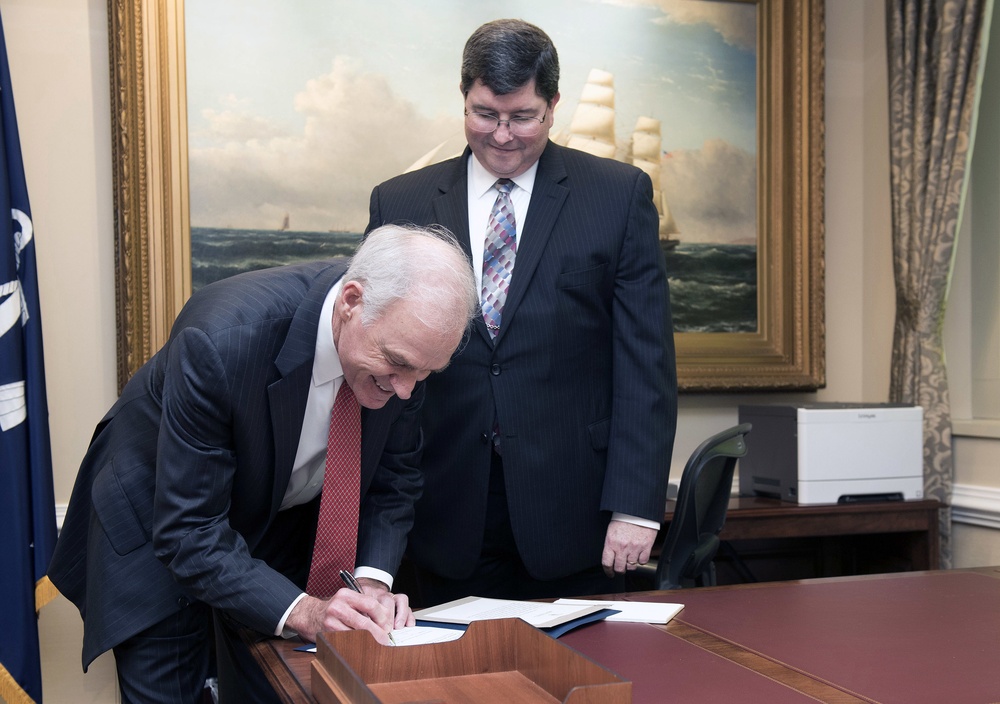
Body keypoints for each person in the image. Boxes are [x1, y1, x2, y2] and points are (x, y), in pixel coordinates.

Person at [46, 224, 478, 703]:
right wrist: (307, 613)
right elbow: (190, 531)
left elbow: (393, 481)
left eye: (425, 373)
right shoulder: (221, 339)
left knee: (276, 686)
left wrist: (373, 583)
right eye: (396, 365)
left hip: (273, 520)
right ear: (351, 302)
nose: (406, 391)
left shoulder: (405, 354)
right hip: (158, 528)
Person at [367, 19, 677, 607]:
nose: (503, 135)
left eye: (522, 116)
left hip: (574, 512)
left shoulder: (617, 197)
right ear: (465, 100)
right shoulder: (399, 202)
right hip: (443, 507)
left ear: (553, 105)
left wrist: (636, 506)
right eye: (485, 114)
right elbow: (375, 363)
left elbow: (646, 362)